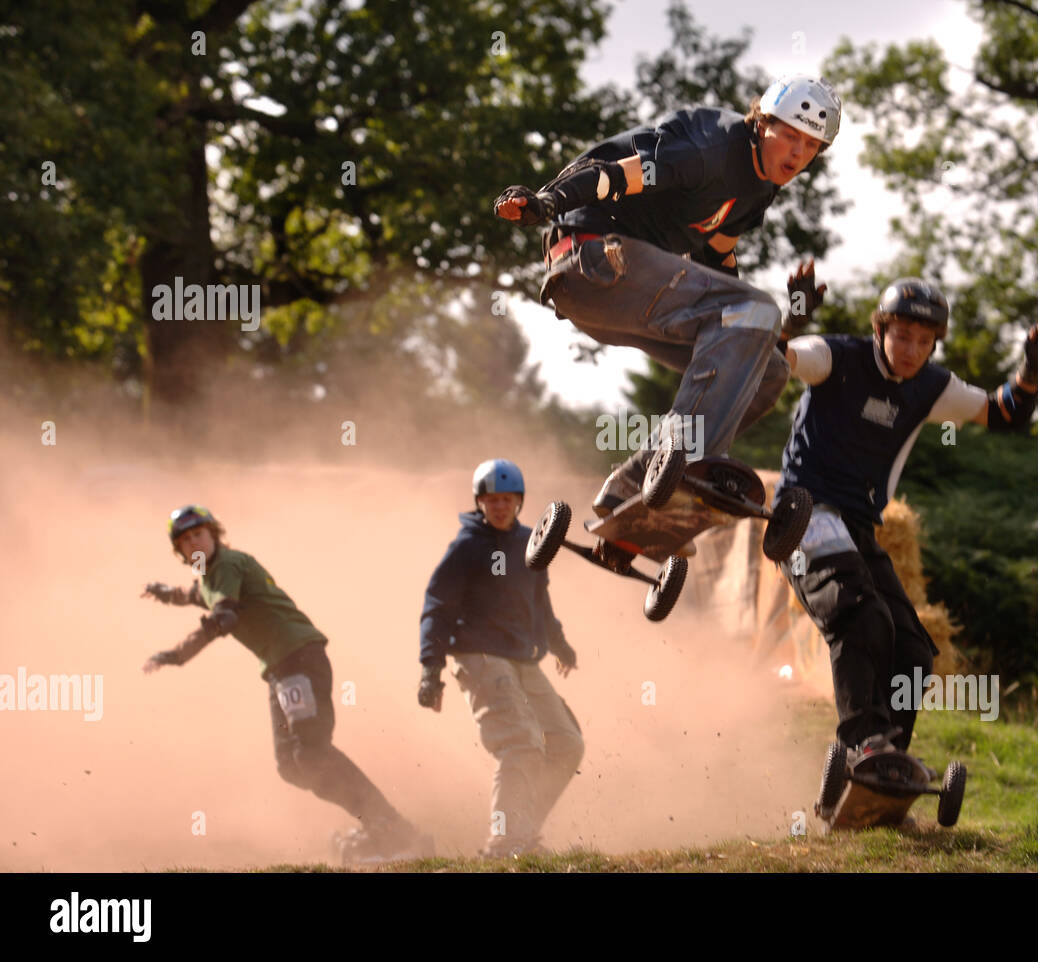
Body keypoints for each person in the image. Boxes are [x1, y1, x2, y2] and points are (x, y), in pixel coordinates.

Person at [771, 278, 1038, 812]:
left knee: (914, 651)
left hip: (858, 526)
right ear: (880, 329)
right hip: (803, 514)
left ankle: (884, 775)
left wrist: (1031, 375)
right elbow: (773, 360)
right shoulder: (837, 357)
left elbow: (1002, 414)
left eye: (924, 343)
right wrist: (791, 320)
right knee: (861, 617)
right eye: (901, 336)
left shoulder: (930, 386)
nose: (911, 351)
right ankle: (865, 742)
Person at [493, 75, 837, 516]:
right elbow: (619, 175)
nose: (797, 154)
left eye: (810, 146)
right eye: (789, 135)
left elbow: (718, 266)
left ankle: (634, 485)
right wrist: (548, 201)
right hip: (592, 258)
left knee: (768, 373)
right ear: (762, 122)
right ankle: (680, 463)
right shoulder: (713, 150)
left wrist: (788, 324)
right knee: (753, 312)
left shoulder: (757, 191)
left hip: (625, 294)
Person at [141, 505, 423, 861]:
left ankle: (391, 830)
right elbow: (195, 593)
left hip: (297, 657)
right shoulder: (212, 575)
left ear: (214, 534)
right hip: (280, 667)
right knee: (291, 765)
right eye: (185, 541)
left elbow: (223, 616)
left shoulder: (227, 566)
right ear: (180, 551)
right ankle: (378, 823)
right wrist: (165, 593)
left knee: (311, 751)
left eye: (199, 534)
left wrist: (175, 655)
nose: (194, 543)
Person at [417, 460, 583, 857]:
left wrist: (558, 643)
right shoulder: (467, 547)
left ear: (519, 501)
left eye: (506, 499)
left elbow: (538, 600)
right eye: (490, 499)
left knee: (565, 744)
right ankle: (505, 841)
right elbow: (437, 606)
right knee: (521, 743)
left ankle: (523, 834)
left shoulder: (531, 542)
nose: (499, 506)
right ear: (479, 502)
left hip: (522, 659)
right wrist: (430, 669)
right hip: (479, 656)